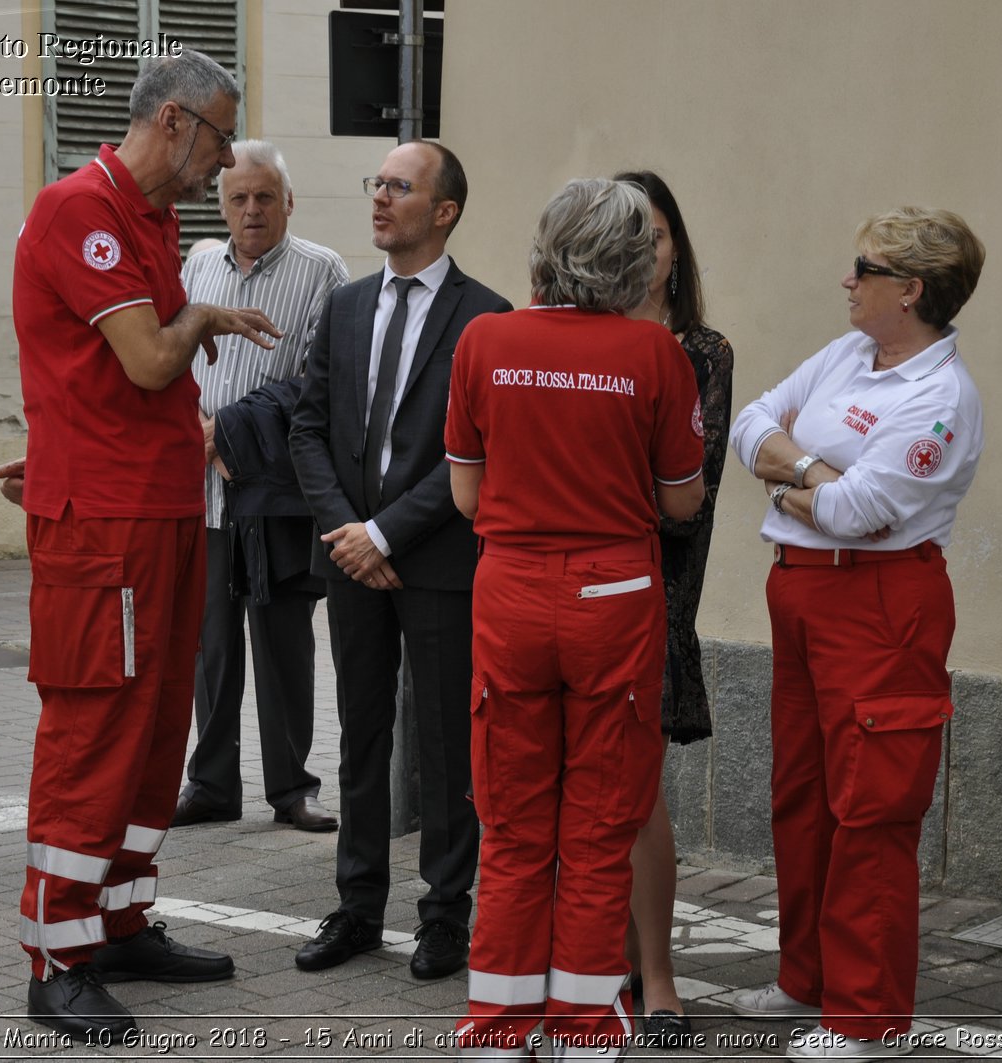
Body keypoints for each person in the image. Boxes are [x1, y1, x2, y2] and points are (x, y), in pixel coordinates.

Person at [4, 50, 285, 1039]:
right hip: (108, 527)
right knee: (96, 729)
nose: (221, 165)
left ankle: (117, 922)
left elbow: (96, 375)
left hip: (157, 510)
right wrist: (201, 312)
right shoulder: (79, 210)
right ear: (173, 121)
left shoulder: (152, 219)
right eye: (217, 139)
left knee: (159, 725)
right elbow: (150, 356)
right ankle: (57, 954)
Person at [446, 177, 706, 1060]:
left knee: (513, 825)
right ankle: (589, 1027)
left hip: (511, 592)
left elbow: (466, 491)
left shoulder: (484, 340)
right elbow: (681, 501)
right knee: (599, 829)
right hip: (613, 599)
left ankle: (497, 1028)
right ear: (634, 259)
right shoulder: (655, 354)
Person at [728, 208, 986, 1060]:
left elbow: (861, 512)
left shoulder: (942, 398)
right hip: (801, 592)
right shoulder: (849, 353)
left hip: (881, 606)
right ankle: (808, 976)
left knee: (870, 808)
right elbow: (751, 423)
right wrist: (808, 471)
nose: (848, 279)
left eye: (863, 268)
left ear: (910, 290)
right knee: (801, 794)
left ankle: (867, 1018)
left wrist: (799, 480)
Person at [287, 140, 511, 982]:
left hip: (439, 561)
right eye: (376, 184)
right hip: (352, 561)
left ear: (443, 211)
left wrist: (385, 534)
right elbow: (310, 427)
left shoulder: (486, 318)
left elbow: (477, 452)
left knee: (447, 743)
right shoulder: (345, 306)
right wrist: (349, 530)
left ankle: (445, 916)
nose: (380, 199)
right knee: (362, 736)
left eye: (400, 188)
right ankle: (357, 906)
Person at [171, 140, 348, 834]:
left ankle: (292, 788)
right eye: (239, 198)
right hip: (203, 495)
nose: (251, 210)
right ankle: (210, 781)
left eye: (264, 197)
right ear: (222, 204)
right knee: (209, 644)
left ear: (288, 202)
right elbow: (177, 354)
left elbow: (315, 383)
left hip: (275, 489)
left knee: (282, 644)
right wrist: (191, 424)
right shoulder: (199, 263)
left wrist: (229, 433)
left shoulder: (320, 270)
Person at [613, 169, 734, 1050]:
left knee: (638, 791)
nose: (643, 251)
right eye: (623, 233)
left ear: (676, 246)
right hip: (569, 589)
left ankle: (657, 975)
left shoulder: (701, 352)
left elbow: (688, 495)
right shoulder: (565, 341)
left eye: (655, 233)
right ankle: (588, 965)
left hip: (654, 588)